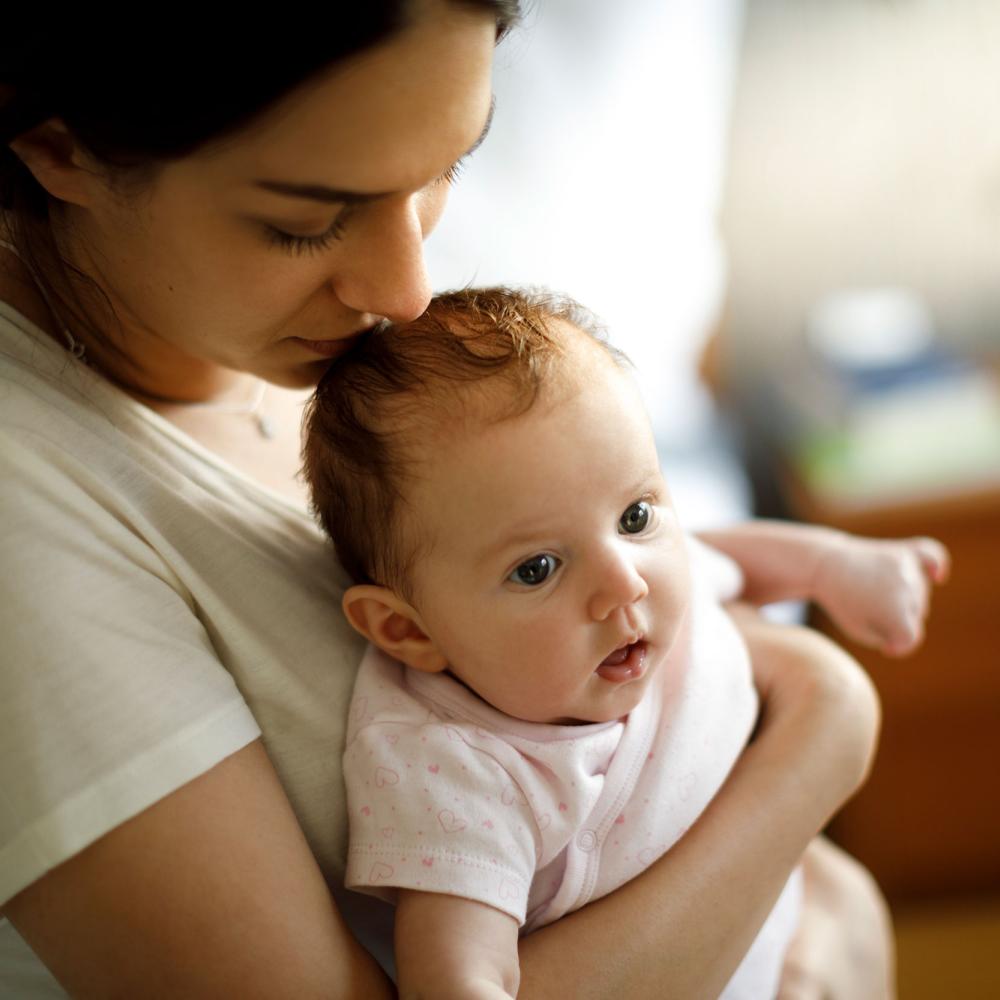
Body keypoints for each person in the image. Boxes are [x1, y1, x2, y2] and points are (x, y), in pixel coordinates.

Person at [0, 7, 895, 997]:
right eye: (303, 225)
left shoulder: (350, 361)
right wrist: (824, 730)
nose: (408, 289)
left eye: (446, 169)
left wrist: (820, 897)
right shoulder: (30, 517)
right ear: (55, 145)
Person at [302, 287, 948, 999]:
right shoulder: (458, 766)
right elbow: (456, 972)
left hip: (798, 940)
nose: (625, 583)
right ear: (408, 630)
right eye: (536, 569)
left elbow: (719, 558)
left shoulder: (635, 568)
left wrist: (836, 565)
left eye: (636, 513)